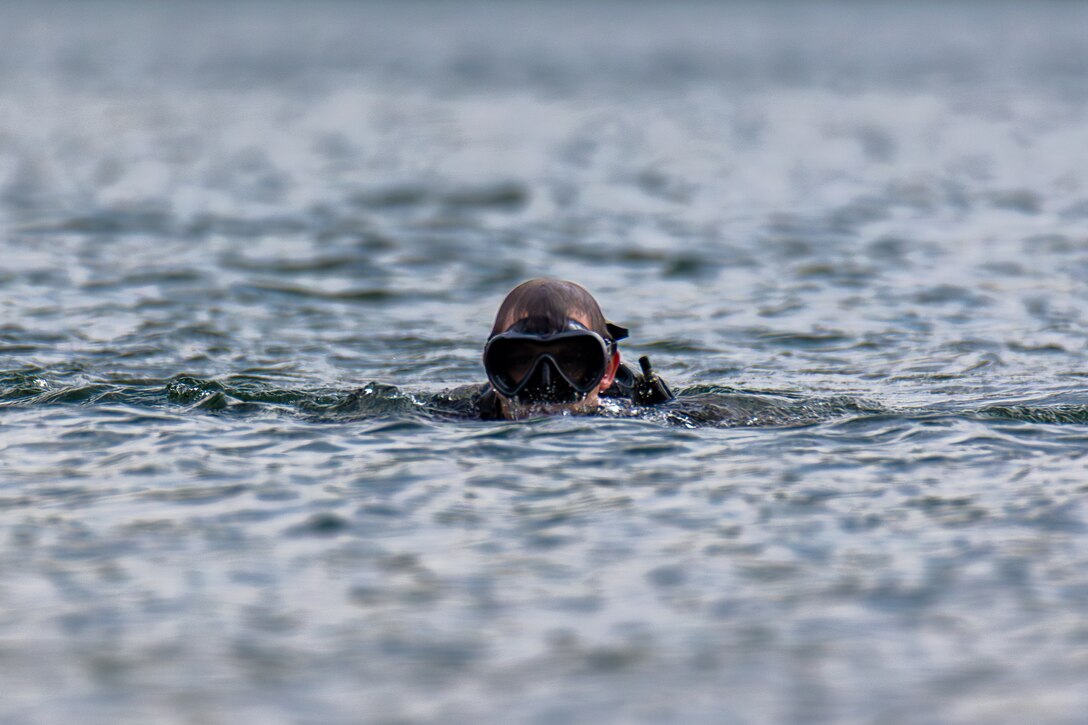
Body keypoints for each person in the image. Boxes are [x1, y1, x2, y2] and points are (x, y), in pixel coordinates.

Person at [472, 278, 673, 420]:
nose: (546, 384)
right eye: (522, 361)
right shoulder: (457, 415)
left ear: (607, 370)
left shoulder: (648, 416)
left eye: (569, 362)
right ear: (493, 372)